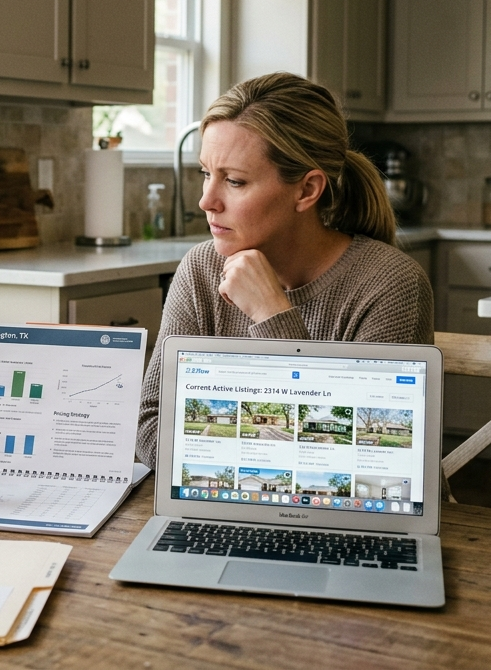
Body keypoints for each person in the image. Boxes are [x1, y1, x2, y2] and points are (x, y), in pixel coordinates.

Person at [136, 72, 433, 467]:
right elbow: (152, 430)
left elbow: (370, 460)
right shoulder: (201, 270)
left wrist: (272, 316)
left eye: (235, 181)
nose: (207, 201)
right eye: (206, 174)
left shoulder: (391, 284)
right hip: (226, 501)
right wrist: (267, 444)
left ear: (307, 190)